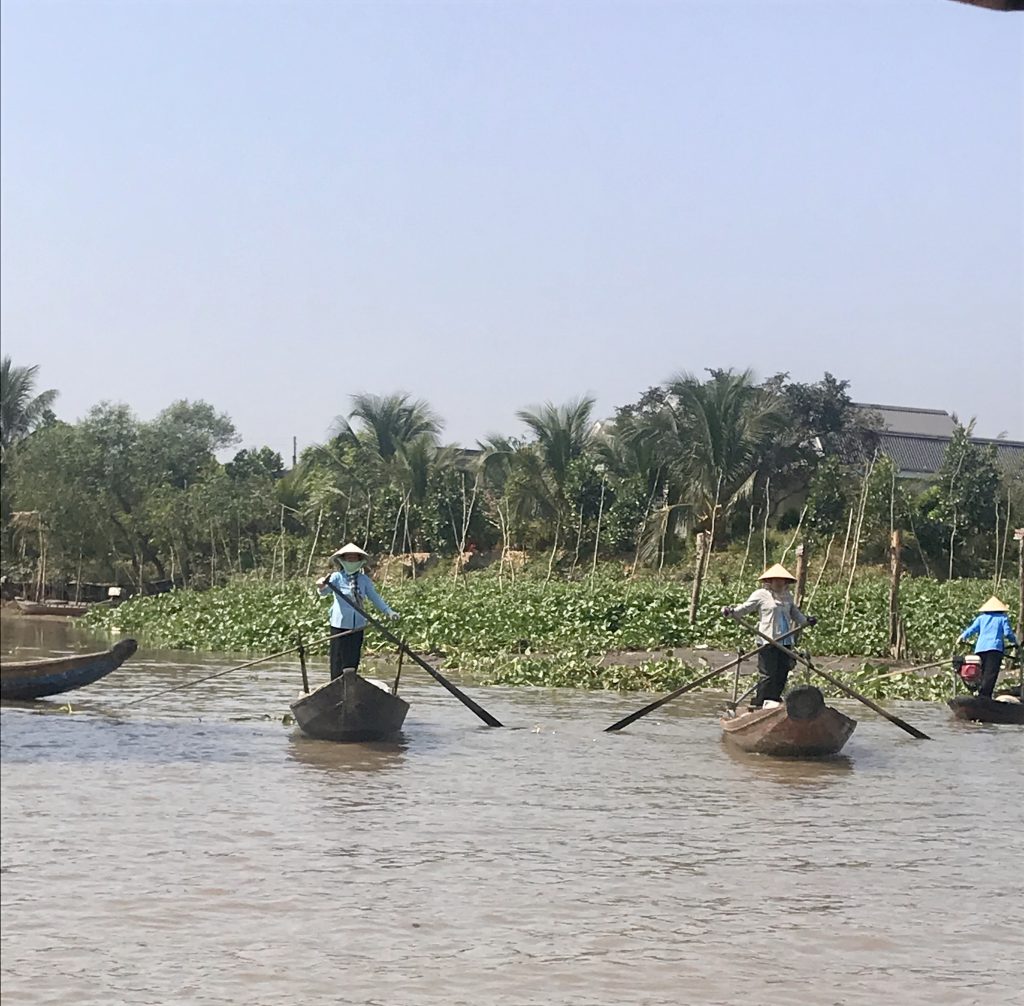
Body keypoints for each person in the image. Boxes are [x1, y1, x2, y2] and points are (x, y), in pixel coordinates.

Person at [722, 563, 816, 709]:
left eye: (782, 580)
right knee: (768, 675)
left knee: (782, 674)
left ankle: (773, 701)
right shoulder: (761, 594)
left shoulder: (787, 597)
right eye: (776, 580)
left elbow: (795, 614)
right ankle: (760, 703)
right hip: (767, 640)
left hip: (785, 640)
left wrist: (806, 621)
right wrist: (731, 612)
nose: (779, 583)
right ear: (770, 581)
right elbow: (746, 608)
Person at [316, 543, 400, 679]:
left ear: (360, 562)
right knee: (338, 660)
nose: (351, 562)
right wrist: (321, 585)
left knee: (352, 659)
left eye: (354, 559)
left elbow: (374, 597)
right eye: (348, 559)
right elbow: (324, 591)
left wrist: (388, 611)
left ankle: (350, 686)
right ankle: (336, 686)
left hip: (357, 626)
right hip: (339, 626)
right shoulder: (336, 577)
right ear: (342, 561)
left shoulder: (364, 580)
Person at [959, 596, 1018, 699]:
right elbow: (1008, 633)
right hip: (995, 649)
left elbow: (971, 630)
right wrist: (1015, 642)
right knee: (990, 674)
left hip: (980, 649)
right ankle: (985, 696)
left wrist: (961, 637)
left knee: (980, 672)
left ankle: (980, 693)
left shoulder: (981, 618)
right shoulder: (1002, 618)